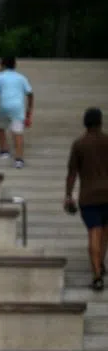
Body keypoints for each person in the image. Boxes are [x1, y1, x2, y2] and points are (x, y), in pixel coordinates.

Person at [65, 107, 108, 291]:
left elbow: (72, 173)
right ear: (100, 122)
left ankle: (96, 274)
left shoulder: (79, 144)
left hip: (88, 196)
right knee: (105, 233)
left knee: (93, 233)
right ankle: (101, 263)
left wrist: (68, 195)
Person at [0, 56, 33, 169]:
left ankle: (4, 150)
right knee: (18, 132)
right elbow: (30, 94)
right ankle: (19, 159)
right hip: (18, 107)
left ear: (3, 65)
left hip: (4, 107)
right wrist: (29, 110)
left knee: (0, 128)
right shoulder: (21, 77)